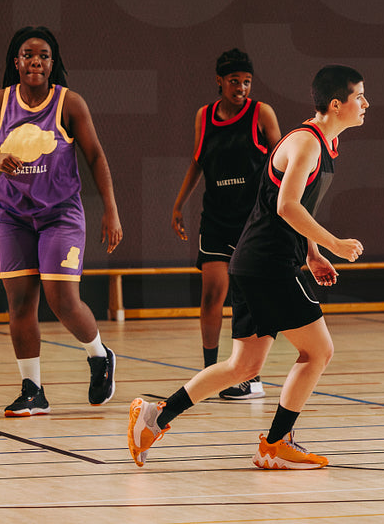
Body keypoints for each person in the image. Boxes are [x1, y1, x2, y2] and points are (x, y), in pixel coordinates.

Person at [129, 65, 368, 470]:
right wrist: (335, 243)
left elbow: (300, 205)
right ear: (335, 104)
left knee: (243, 366)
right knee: (319, 351)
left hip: (256, 263)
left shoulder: (325, 144)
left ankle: (154, 418)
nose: (365, 104)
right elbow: (287, 206)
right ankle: (275, 444)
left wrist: (312, 253)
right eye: (359, 96)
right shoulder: (306, 143)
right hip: (267, 265)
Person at [0, 26, 122, 417]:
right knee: (19, 303)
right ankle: (32, 390)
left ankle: (99, 355)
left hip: (60, 214)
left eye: (43, 56)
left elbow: (96, 156)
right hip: (13, 216)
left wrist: (111, 210)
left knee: (62, 299)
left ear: (53, 63)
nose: (35, 61)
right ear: (16, 62)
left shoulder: (69, 103)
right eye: (28, 55)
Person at [170, 48, 282, 400]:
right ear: (220, 81)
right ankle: (211, 373)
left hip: (253, 220)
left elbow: (283, 160)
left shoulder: (261, 113)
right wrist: (179, 204)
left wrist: (281, 207)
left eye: (247, 82)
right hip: (216, 217)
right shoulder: (204, 116)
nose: (242, 88)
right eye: (235, 81)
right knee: (211, 296)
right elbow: (197, 161)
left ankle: (252, 377)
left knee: (248, 297)